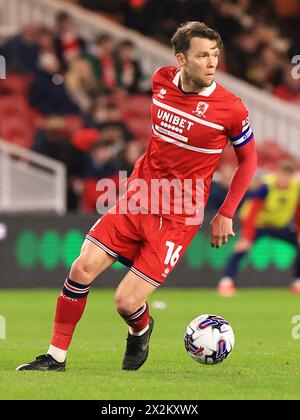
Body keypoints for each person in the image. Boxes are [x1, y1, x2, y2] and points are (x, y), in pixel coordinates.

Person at [17, 21, 257, 372]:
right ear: (180, 59)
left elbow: (249, 159)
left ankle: (141, 328)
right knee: (81, 268)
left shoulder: (230, 109)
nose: (211, 63)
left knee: (125, 301)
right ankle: (55, 358)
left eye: (215, 55)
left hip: (179, 216)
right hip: (137, 198)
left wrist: (226, 212)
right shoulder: (160, 81)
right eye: (203, 55)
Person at [218, 160, 300, 297]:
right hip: (258, 224)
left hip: (279, 226)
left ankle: (297, 282)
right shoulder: (266, 187)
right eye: (281, 176)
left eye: (287, 177)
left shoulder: (296, 188)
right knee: (241, 248)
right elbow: (252, 213)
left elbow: (298, 211)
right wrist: (247, 237)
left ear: (291, 177)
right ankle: (226, 282)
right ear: (277, 174)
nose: (283, 180)